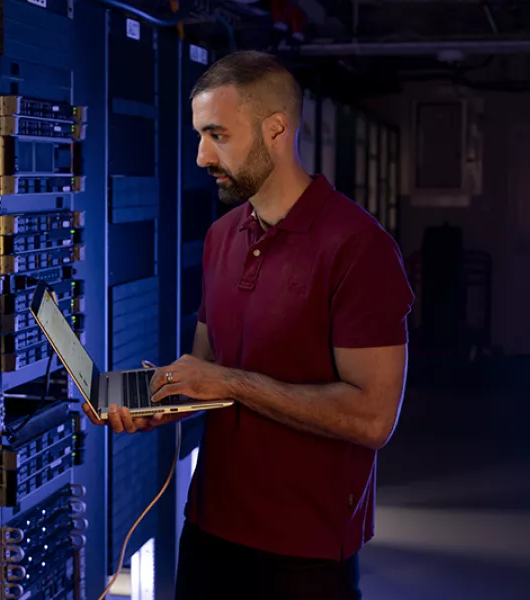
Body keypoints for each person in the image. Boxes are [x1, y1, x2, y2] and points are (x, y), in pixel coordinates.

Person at [83, 50, 414, 599]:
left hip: (304, 551)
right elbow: (209, 366)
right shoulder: (222, 236)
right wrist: (162, 400)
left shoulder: (360, 248)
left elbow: (374, 417)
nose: (200, 155)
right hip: (211, 526)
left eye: (218, 135)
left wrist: (231, 383)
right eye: (199, 135)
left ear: (276, 129)